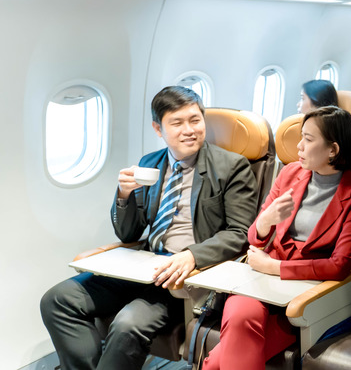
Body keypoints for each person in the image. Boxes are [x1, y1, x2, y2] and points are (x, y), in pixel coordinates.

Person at [40, 86, 259, 369]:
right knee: (57, 301)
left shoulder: (231, 166)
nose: (189, 130)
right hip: (142, 265)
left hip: (182, 276)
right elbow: (128, 234)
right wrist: (123, 196)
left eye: (195, 120)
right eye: (177, 123)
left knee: (127, 324)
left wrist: (192, 255)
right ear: (158, 129)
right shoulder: (149, 164)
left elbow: (239, 234)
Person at [202, 106, 351, 370]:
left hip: (304, 294)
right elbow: (255, 239)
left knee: (215, 364)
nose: (299, 146)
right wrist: (266, 221)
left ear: (333, 150)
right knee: (239, 316)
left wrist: (275, 267)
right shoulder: (289, 173)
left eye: (308, 139)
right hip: (261, 282)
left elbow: (340, 265)